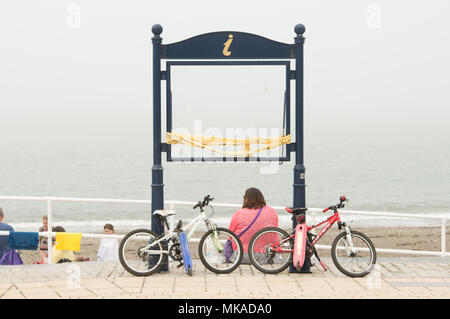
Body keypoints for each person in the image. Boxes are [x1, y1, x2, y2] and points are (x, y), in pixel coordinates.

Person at [228, 188, 278, 264]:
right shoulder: (271, 211)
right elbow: (274, 233)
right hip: (267, 256)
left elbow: (230, 235)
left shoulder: (239, 213)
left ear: (245, 199)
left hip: (241, 256)